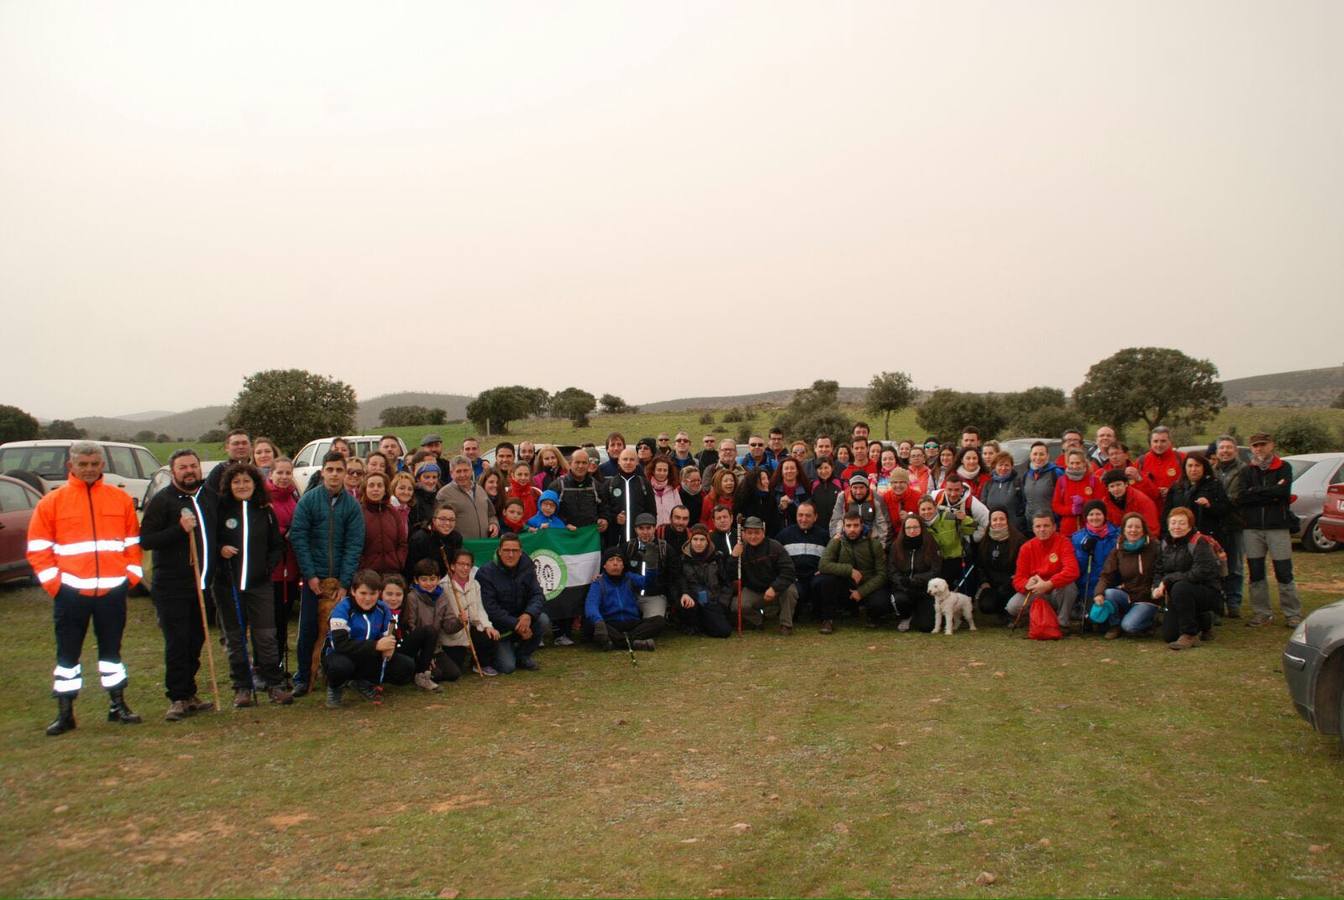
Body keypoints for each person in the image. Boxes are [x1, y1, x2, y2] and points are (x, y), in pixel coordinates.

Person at [28, 441, 144, 734]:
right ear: (72, 466)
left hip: (112, 592)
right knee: (67, 657)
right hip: (71, 593)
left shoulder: (119, 499)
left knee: (112, 654)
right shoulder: (52, 502)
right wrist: (55, 585)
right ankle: (65, 712)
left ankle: (118, 705)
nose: (89, 469)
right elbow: (39, 549)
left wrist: (129, 576)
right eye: (84, 464)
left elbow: (133, 543)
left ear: (102, 465)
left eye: (95, 464)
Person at [140, 449, 218, 722]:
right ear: (173, 472)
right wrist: (179, 530)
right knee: (177, 641)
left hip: (202, 583)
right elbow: (146, 540)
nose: (189, 471)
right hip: (172, 585)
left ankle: (190, 692)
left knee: (196, 639)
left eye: (193, 467)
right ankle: (176, 697)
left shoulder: (207, 497)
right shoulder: (163, 501)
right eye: (183, 467)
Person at [289, 452, 366, 698]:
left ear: (345, 473)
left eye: (339, 470)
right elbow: (299, 538)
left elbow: (354, 544)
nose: (334, 474)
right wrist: (310, 575)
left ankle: (338, 675)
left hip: (340, 582)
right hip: (314, 580)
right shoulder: (308, 501)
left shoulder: (352, 506)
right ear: (322, 471)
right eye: (330, 469)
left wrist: (345, 582)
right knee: (309, 630)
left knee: (340, 631)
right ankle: (303, 676)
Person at [214, 462, 288, 707]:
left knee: (266, 636)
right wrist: (219, 550)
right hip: (229, 585)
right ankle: (242, 688)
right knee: (236, 639)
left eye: (247, 481)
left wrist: (267, 567)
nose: (242, 486)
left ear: (255, 484)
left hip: (259, 585)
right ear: (229, 485)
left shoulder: (264, 511)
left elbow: (276, 545)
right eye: (237, 482)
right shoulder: (220, 511)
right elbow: (208, 541)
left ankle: (274, 684)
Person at [321, 570, 414, 707]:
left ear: (379, 593)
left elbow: (389, 632)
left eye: (373, 594)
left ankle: (362, 682)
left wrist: (389, 645)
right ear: (353, 591)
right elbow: (340, 644)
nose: (368, 598)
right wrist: (375, 645)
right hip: (341, 655)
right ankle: (335, 688)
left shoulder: (383, 609)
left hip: (368, 656)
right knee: (340, 667)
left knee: (406, 666)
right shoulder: (341, 609)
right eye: (363, 593)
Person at [1239, 432, 1302, 628]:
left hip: (1278, 526)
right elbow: (1242, 496)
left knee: (1284, 571)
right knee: (1256, 571)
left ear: (1271, 445)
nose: (1259, 449)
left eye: (1263, 445)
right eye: (1256, 445)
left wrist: (1256, 492)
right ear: (1251, 448)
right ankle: (1261, 613)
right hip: (1252, 528)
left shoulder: (1284, 467)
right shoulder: (1247, 471)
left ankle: (1292, 614)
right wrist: (1270, 493)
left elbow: (1283, 492)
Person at [476, 534, 549, 672]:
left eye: (515, 551)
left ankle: (523, 655)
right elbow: (491, 608)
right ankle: (498, 653)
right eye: (506, 550)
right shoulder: (485, 573)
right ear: (499, 551)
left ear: (520, 552)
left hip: (523, 621)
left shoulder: (528, 567)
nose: (511, 554)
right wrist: (516, 624)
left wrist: (528, 614)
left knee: (543, 619)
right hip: (500, 628)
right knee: (507, 667)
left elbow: (538, 594)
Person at [1154, 507, 1223, 650]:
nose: (1176, 527)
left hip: (1206, 590)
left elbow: (1201, 572)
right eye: (1173, 523)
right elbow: (1159, 570)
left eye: (1181, 523)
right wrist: (1156, 586)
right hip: (1178, 593)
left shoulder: (1199, 542)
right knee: (1169, 636)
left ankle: (1189, 634)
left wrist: (1168, 580)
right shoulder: (1165, 544)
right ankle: (1203, 621)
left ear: (1190, 525)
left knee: (1181, 587)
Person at [815, 510, 889, 634]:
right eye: (848, 526)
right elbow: (823, 565)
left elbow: (882, 574)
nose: (852, 529)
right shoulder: (837, 541)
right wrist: (849, 570)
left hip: (867, 586)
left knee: (881, 602)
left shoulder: (874, 544)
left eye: (856, 525)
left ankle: (873, 616)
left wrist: (861, 592)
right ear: (843, 527)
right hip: (845, 586)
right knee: (824, 580)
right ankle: (828, 619)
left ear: (862, 526)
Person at [1005, 513, 1080, 631]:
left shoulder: (1063, 542)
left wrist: (1049, 583)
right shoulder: (1026, 548)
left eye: (1046, 526)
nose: (1042, 529)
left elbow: (1072, 570)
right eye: (1038, 526)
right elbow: (1018, 579)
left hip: (1056, 589)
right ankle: (1036, 618)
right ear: (1033, 529)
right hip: (1037, 590)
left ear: (1054, 527)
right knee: (1012, 607)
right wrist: (1026, 584)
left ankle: (1062, 623)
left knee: (1070, 587)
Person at [1092, 513, 1159, 638]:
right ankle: (1115, 625)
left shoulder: (1154, 546)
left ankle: (1149, 622)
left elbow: (1161, 571)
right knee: (1109, 593)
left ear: (1143, 529)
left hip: (1147, 597)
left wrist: (1156, 588)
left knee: (1130, 626)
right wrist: (1098, 593)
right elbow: (1106, 575)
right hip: (1127, 594)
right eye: (1129, 527)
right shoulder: (1118, 549)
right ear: (1123, 529)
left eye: (1137, 527)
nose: (1133, 530)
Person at [728, 516, 798, 634]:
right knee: (737, 605)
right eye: (749, 533)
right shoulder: (741, 550)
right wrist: (734, 557)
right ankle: (758, 621)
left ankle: (786, 624)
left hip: (777, 587)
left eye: (757, 532)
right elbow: (731, 574)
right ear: (744, 534)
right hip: (755, 590)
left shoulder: (775, 546)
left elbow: (788, 571)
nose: (753, 536)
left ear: (763, 532)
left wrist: (774, 588)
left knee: (790, 591)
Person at [266, 457, 302, 686]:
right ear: (271, 474)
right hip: (273, 570)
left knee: (283, 620)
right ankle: (268, 666)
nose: (284, 476)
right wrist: (282, 531)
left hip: (292, 568)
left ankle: (279, 665)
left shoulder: (293, 498)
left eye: (288, 472)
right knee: (271, 622)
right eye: (280, 472)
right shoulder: (264, 499)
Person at [400, 561, 462, 690]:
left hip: (436, 648)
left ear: (438, 579)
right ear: (416, 580)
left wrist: (460, 621)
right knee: (437, 674)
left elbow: (448, 627)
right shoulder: (412, 598)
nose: (429, 583)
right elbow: (410, 627)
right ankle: (420, 672)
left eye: (433, 579)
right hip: (418, 649)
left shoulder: (442, 596)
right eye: (424, 579)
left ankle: (426, 669)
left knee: (454, 674)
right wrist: (425, 655)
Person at [442, 549, 501, 676]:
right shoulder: (444, 586)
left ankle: (481, 663)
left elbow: (480, 608)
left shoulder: (475, 584)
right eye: (461, 564)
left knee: (490, 635)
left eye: (468, 565)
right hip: (454, 632)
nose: (465, 568)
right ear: (452, 566)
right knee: (456, 667)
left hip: (472, 625)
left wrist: (487, 626)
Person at [621, 513, 677, 639]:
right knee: (621, 621)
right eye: (641, 528)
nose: (645, 532)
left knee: (656, 623)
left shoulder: (665, 549)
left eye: (649, 528)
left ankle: (629, 637)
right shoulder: (628, 547)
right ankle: (633, 634)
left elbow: (673, 575)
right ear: (635, 529)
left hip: (654, 596)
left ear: (654, 528)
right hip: (630, 595)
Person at [884, 513, 943, 632]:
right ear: (904, 529)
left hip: (925, 590)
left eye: (915, 527)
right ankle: (906, 616)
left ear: (921, 528)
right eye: (908, 528)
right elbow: (892, 570)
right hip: (904, 589)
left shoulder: (931, 544)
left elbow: (936, 570)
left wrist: (917, 579)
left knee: (927, 627)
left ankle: (918, 614)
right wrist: (902, 582)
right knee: (899, 600)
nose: (912, 530)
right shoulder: (896, 546)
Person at [1211, 435, 1249, 617]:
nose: (1225, 451)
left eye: (1228, 447)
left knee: (1234, 565)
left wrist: (1215, 503)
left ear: (1236, 450)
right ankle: (1217, 602)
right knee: (1216, 565)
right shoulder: (1212, 470)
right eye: (1221, 448)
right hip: (1215, 525)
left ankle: (1233, 602)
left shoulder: (1244, 471)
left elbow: (1238, 497)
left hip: (1235, 524)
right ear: (1217, 452)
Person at [775, 501, 828, 622]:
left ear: (815, 517)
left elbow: (832, 558)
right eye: (800, 515)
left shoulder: (824, 535)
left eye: (808, 516)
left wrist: (824, 569)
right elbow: (775, 559)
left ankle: (822, 616)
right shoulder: (784, 535)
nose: (803, 519)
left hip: (816, 578)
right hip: (795, 579)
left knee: (824, 582)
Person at [1165, 453, 1232, 546]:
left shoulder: (1214, 485)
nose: (1193, 469)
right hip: (1180, 536)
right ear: (1184, 468)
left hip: (1207, 536)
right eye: (1190, 466)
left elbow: (1225, 509)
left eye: (1197, 465)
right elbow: (1167, 512)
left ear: (1204, 467)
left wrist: (1209, 505)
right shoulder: (1176, 487)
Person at [1070, 500, 1119, 627]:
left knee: (1104, 621)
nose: (1095, 518)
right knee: (1093, 619)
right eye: (1091, 514)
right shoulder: (1078, 537)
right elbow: (1077, 566)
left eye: (1098, 514)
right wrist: (1084, 552)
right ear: (1086, 517)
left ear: (1104, 516)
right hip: (1087, 584)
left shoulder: (1116, 535)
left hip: (1110, 582)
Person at [975, 509, 1024, 619]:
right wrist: (984, 582)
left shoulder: (1019, 541)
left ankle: (1009, 612)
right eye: (994, 519)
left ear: (1007, 520)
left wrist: (1013, 580)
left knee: (1004, 592)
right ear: (990, 522)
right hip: (992, 584)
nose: (998, 522)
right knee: (986, 606)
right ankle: (999, 611)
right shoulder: (985, 541)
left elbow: (1023, 566)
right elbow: (980, 565)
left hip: (1011, 584)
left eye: (1002, 519)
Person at [603, 447, 656, 546]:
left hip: (639, 540)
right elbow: (604, 510)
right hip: (616, 539)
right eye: (625, 459)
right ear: (619, 461)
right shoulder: (610, 484)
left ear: (637, 462)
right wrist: (615, 518)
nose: (628, 462)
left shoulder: (644, 483)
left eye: (632, 459)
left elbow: (652, 511)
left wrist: (646, 529)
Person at [358, 471, 408, 576]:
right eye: (371, 485)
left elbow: (402, 543)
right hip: (367, 574)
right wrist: (362, 566)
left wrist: (399, 561)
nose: (375, 489)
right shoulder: (358, 513)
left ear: (385, 490)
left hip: (392, 572)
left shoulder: (393, 512)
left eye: (380, 485)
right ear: (365, 489)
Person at [436, 457, 499, 540]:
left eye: (465, 470)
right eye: (458, 471)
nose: (462, 475)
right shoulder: (444, 494)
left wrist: (494, 524)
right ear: (451, 473)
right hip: (460, 548)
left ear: (471, 471)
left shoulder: (480, 490)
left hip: (484, 546)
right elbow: (439, 523)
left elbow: (491, 514)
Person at [1052, 449, 1104, 536]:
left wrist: (1084, 503)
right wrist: (1071, 510)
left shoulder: (1093, 480)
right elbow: (1056, 505)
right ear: (1067, 463)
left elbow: (1100, 504)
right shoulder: (1062, 480)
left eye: (1078, 463)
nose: (1075, 466)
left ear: (1084, 463)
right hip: (1068, 530)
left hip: (1090, 528)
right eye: (1072, 463)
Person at [405, 504, 463, 580]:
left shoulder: (456, 538)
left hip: (447, 582)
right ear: (434, 520)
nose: (447, 523)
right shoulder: (419, 539)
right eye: (442, 519)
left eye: (451, 520)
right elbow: (410, 568)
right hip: (424, 584)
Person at [828, 473, 889, 544]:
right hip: (848, 538)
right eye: (855, 488)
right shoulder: (843, 497)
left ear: (867, 487)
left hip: (870, 539)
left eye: (861, 487)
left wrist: (881, 545)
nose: (858, 492)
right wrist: (837, 539)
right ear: (850, 488)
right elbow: (836, 519)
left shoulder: (876, 498)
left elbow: (882, 523)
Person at [1100, 468, 1161, 536]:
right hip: (1116, 539)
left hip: (1140, 539)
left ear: (1126, 484)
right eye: (1112, 486)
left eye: (1118, 484)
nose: (1116, 489)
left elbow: (1152, 529)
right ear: (1108, 489)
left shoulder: (1142, 500)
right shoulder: (1105, 503)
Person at [1136, 426, 1185, 503]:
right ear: (1150, 442)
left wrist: (1172, 491)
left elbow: (1190, 482)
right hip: (1151, 507)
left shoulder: (1182, 458)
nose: (1159, 445)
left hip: (1176, 507)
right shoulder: (1141, 461)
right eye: (1155, 441)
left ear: (1170, 442)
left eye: (1163, 441)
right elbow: (1136, 487)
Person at [981, 451, 1026, 533]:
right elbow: (983, 506)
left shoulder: (1018, 483)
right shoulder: (989, 484)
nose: (1003, 468)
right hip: (994, 528)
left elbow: (1024, 504)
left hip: (1014, 529)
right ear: (995, 466)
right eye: (1000, 465)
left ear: (1012, 466)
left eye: (1007, 465)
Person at [1021, 442, 1062, 526]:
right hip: (1031, 525)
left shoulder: (1056, 473)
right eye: (1035, 454)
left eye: (1041, 454)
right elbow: (1025, 500)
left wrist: (1056, 518)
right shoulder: (1026, 475)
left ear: (1047, 456)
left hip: (1050, 525)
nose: (1038, 457)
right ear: (1030, 456)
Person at [736, 468, 781, 536]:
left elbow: (775, 524)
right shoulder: (743, 499)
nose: (767, 481)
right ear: (754, 482)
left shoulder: (771, 499)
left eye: (767, 478)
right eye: (763, 479)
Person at [205, 429, 252, 494]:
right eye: (236, 443)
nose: (241, 447)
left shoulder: (257, 469)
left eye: (244, 443)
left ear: (251, 446)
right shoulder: (220, 471)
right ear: (227, 448)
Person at [771, 457, 811, 531]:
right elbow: (771, 513)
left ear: (797, 471)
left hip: (799, 529)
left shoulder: (806, 489)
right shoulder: (773, 489)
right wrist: (780, 507)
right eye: (786, 468)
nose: (789, 471)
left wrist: (791, 504)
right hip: (778, 530)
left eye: (792, 468)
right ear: (781, 472)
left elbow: (806, 513)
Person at [808, 458, 844, 527]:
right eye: (820, 468)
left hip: (837, 526)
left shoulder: (841, 483)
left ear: (832, 468)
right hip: (818, 526)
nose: (823, 471)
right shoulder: (813, 484)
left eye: (826, 468)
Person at [646, 456, 681, 526]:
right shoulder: (646, 488)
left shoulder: (673, 490)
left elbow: (679, 511)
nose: (662, 473)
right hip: (651, 531)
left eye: (665, 470)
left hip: (670, 531)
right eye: (659, 470)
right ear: (653, 471)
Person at [407, 461, 441, 533]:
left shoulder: (440, 496)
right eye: (427, 477)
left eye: (434, 477)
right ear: (418, 478)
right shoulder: (412, 497)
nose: (431, 481)